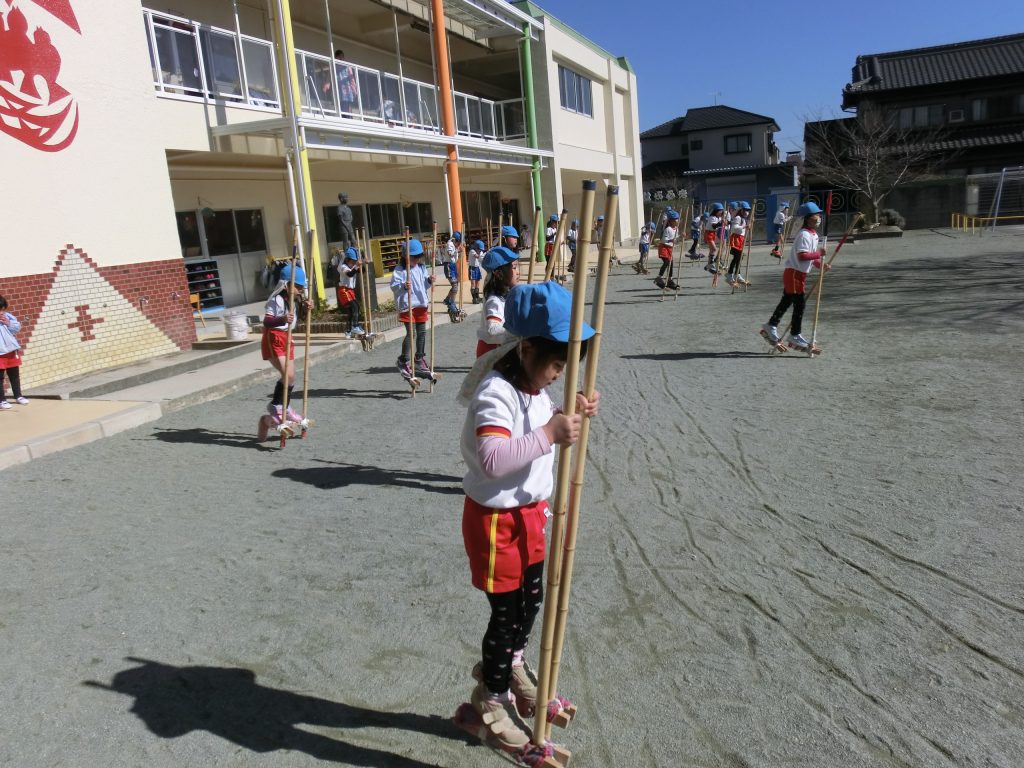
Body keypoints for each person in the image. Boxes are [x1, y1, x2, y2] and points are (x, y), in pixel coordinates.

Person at [458, 280, 600, 755]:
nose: (560, 373)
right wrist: (550, 433)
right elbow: (495, 457)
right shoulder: (495, 391)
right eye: (557, 363)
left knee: (532, 601)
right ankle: (490, 696)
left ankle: (511, 664)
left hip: (531, 516)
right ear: (529, 348)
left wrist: (570, 415)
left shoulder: (535, 387)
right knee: (506, 613)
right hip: (496, 523)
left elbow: (543, 420)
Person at [761, 202, 829, 352]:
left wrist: (820, 264)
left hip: (799, 273)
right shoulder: (804, 234)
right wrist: (819, 254)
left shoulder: (814, 235)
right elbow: (803, 256)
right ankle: (794, 334)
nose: (819, 217)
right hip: (793, 273)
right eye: (816, 215)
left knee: (787, 301)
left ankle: (770, 326)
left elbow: (811, 257)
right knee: (799, 303)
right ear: (808, 218)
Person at [257, 264, 307, 440]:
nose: (301, 290)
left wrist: (308, 308)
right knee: (287, 374)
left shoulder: (294, 300)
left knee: (291, 376)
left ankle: (283, 406)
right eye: (298, 287)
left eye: (302, 287)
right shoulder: (276, 300)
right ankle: (276, 405)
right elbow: (267, 321)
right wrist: (282, 319)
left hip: (287, 338)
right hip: (274, 338)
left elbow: (296, 320)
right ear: (286, 284)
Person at [390, 238, 435, 381]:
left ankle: (419, 358)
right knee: (411, 334)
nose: (416, 259)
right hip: (407, 305)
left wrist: (429, 281)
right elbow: (394, 287)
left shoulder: (421, 268)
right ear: (405, 256)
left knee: (422, 332)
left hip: (421, 304)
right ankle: (403, 359)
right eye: (413, 256)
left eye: (418, 256)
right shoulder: (400, 270)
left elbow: (423, 286)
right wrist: (403, 286)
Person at [475, 246, 519, 358]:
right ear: (499, 274)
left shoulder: (504, 295)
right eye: (514, 268)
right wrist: (519, 331)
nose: (517, 272)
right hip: (491, 352)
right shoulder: (494, 300)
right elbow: (492, 329)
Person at [0, 295, 28, 410]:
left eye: (2, 309)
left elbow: (17, 328)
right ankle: (2, 400)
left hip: (11, 350)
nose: (2, 312)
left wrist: (8, 322)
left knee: (15, 375)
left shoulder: (8, 316)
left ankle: (18, 396)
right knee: (0, 378)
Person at [336, 247, 365, 337]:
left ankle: (348, 331)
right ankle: (355, 326)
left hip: (350, 291)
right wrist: (356, 266)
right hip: (344, 290)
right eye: (352, 262)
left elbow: (362, 271)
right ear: (347, 260)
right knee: (355, 306)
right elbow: (350, 274)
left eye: (354, 262)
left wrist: (363, 264)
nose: (353, 264)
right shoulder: (343, 267)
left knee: (351, 311)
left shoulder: (352, 267)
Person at [726, 201, 751, 286]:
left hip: (741, 239)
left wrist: (748, 227)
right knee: (737, 258)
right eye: (745, 210)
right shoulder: (738, 218)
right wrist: (744, 227)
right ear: (741, 210)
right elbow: (734, 228)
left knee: (738, 258)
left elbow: (743, 229)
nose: (747, 212)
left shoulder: (744, 219)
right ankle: (730, 274)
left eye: (748, 210)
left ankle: (737, 275)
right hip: (735, 239)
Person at [654, 210, 679, 289]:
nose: (677, 221)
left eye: (677, 219)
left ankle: (669, 280)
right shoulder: (667, 229)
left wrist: (682, 236)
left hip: (670, 248)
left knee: (671, 264)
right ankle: (659, 277)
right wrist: (671, 240)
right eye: (675, 219)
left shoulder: (676, 229)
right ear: (671, 221)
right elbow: (663, 240)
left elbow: (676, 238)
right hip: (664, 247)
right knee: (667, 262)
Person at [443, 231, 463, 321]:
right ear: (454, 240)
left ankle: (448, 300)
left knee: (456, 286)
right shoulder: (450, 244)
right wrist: (458, 250)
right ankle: (451, 302)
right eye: (458, 241)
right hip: (449, 266)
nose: (459, 243)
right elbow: (450, 254)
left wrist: (459, 250)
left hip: (453, 266)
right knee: (454, 286)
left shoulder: (455, 245)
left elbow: (456, 257)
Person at [704, 202, 724, 274]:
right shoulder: (712, 217)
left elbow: (721, 224)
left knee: (712, 250)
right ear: (715, 211)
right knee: (714, 249)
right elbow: (714, 226)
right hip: (708, 233)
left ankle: (709, 265)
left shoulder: (718, 217)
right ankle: (710, 264)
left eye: (722, 210)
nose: (721, 212)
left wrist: (728, 222)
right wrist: (721, 223)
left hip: (713, 233)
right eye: (720, 211)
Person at [468, 240, 485, 304]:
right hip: (472, 268)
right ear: (476, 247)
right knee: (473, 283)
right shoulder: (472, 251)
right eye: (479, 249)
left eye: (481, 250)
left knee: (478, 283)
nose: (480, 251)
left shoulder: (480, 252)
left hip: (477, 268)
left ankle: (477, 297)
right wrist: (484, 255)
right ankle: (474, 298)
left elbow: (481, 258)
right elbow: (477, 257)